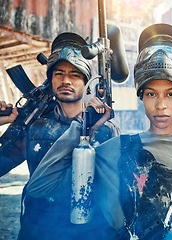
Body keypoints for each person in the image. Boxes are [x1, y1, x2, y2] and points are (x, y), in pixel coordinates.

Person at [26, 23, 172, 240]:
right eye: (152, 94)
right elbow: (40, 187)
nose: (161, 105)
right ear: (141, 96)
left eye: (170, 94)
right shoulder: (117, 150)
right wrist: (82, 126)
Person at [0, 32, 120, 239]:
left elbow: (117, 193)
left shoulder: (104, 128)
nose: (66, 80)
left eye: (74, 75)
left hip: (87, 231)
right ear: (50, 78)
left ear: (86, 83)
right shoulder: (33, 124)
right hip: (37, 228)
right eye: (59, 73)